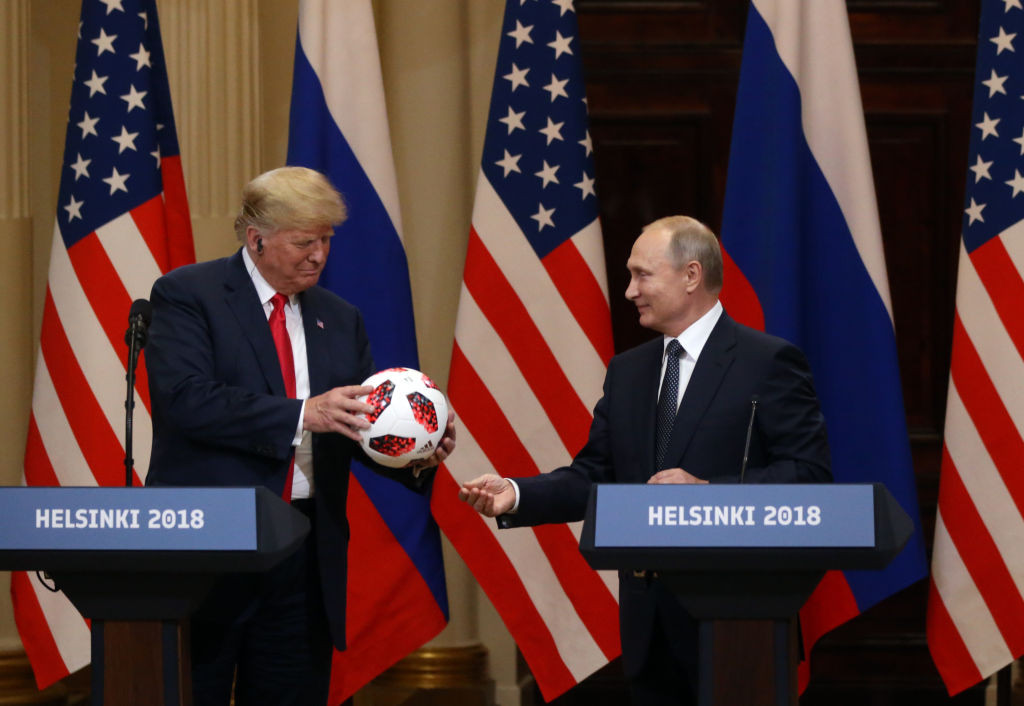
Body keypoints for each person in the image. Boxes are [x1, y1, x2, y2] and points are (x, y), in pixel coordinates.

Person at [458, 215, 830, 705]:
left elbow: (808, 475)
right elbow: (595, 475)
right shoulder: (628, 370)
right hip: (647, 623)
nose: (630, 291)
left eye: (642, 275)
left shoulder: (767, 362)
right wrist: (517, 493)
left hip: (736, 621)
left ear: (691, 275)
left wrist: (707, 493)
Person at [145, 166, 455, 705]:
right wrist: (301, 414)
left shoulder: (340, 317)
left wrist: (414, 453)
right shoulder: (188, 294)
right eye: (304, 242)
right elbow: (186, 401)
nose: (318, 256)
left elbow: (351, 426)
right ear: (256, 239)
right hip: (212, 546)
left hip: (304, 554)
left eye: (326, 240)